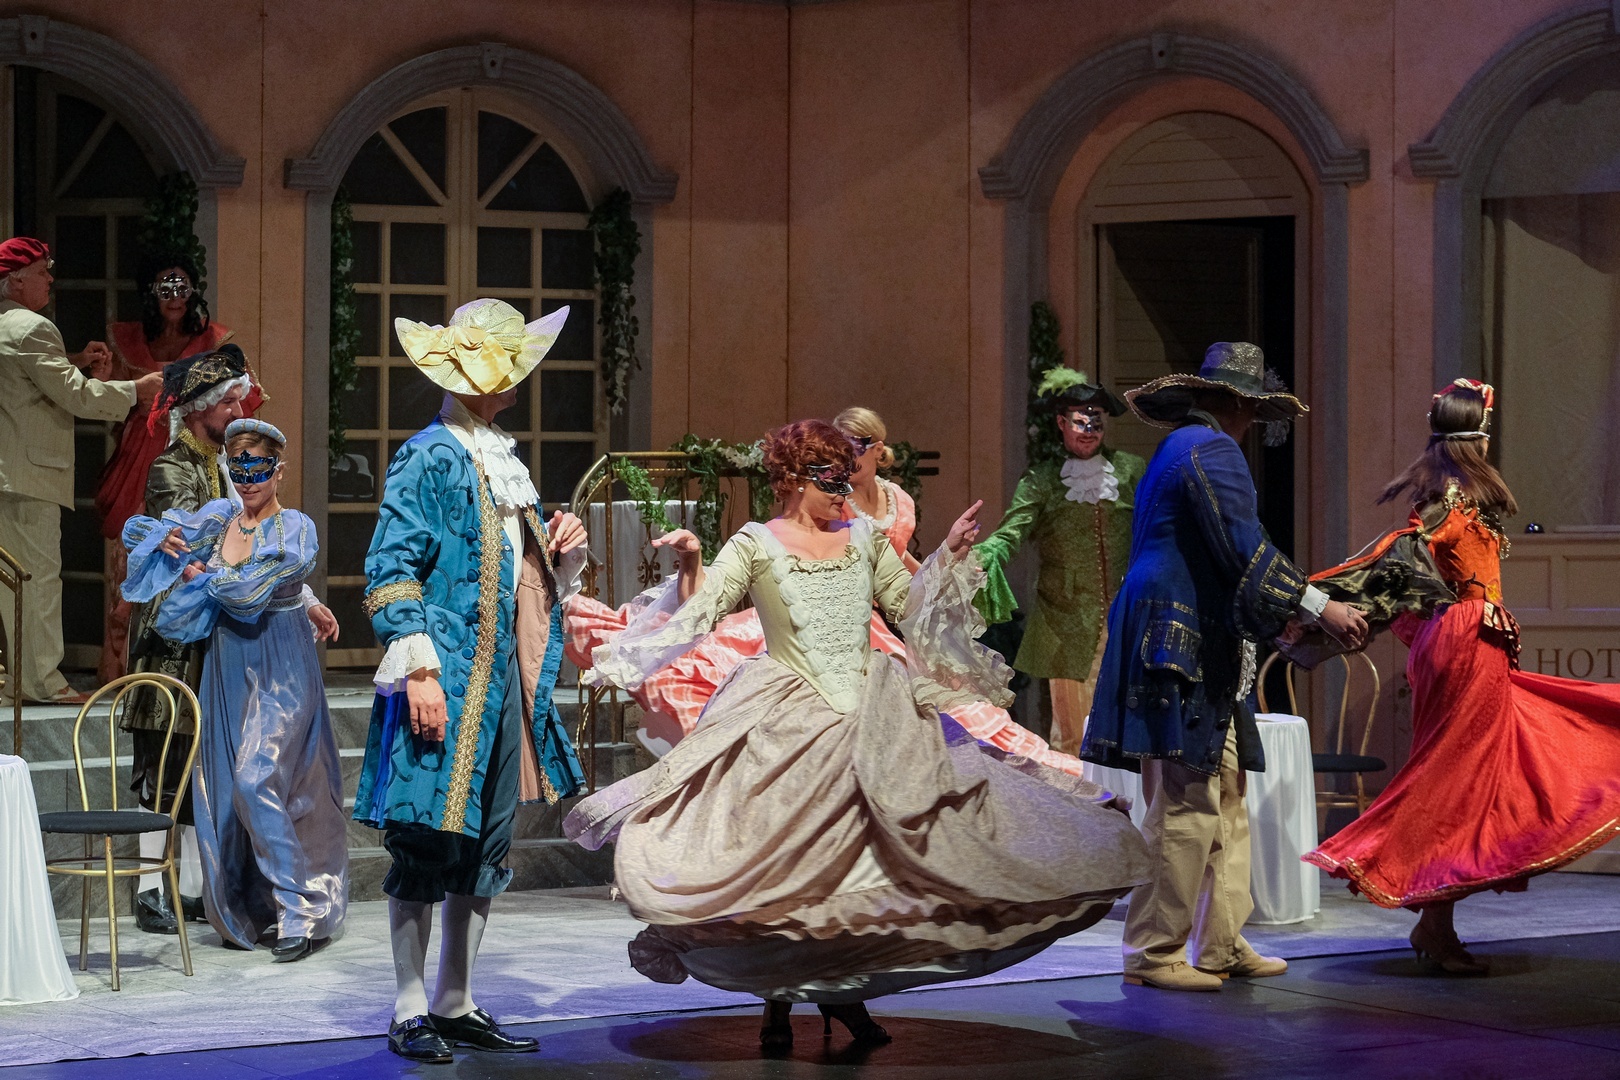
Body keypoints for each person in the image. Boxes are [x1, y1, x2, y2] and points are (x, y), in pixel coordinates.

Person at [565, 419, 1150, 1054]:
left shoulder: (864, 538)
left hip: (874, 715)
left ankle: (838, 995)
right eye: (830, 482)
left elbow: (910, 608)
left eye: (847, 480)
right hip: (786, 720)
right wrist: (690, 563)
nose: (843, 493)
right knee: (786, 869)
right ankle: (781, 1004)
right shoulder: (756, 542)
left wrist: (947, 555)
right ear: (793, 479)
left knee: (861, 869)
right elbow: (701, 614)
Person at [1303, 380, 1620, 974]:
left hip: (1468, 638)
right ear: (1480, 435)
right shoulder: (1450, 499)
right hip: (1467, 640)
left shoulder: (1455, 494)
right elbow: (1401, 553)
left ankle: (1436, 923)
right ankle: (1423, 909)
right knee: (1455, 779)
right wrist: (1338, 598)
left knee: (1470, 774)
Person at [1083, 342, 1368, 993]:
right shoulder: (1209, 449)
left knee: (1229, 794)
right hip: (1179, 642)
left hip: (1206, 643)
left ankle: (1218, 941)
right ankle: (1154, 950)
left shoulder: (1184, 446)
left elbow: (1228, 557)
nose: (1255, 423)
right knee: (1184, 804)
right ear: (1239, 404)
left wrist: (1284, 617)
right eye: (1255, 410)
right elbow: (1246, 547)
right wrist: (1320, 607)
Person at [353, 299, 589, 1064]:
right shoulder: (430, 455)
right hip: (445, 675)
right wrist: (420, 670)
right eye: (509, 368)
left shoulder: (500, 458)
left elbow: (516, 577)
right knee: (426, 836)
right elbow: (390, 571)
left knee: (485, 842)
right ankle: (408, 1007)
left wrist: (562, 556)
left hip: (499, 683)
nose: (519, 380)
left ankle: (454, 999)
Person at [122, 418, 346, 961]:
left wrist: (203, 577)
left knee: (256, 778)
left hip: (281, 663)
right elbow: (137, 533)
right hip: (227, 664)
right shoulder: (220, 517)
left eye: (258, 469)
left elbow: (250, 591)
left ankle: (300, 910)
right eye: (238, 469)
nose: (248, 480)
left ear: (278, 470)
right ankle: (252, 904)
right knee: (225, 788)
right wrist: (163, 538)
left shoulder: (294, 526)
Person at [119, 345, 251, 935]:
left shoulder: (222, 464)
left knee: (198, 761)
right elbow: (189, 549)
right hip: (172, 634)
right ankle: (151, 888)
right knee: (165, 757)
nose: (238, 412)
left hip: (211, 629)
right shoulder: (172, 467)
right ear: (199, 409)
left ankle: (194, 887)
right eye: (228, 403)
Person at [0, 236, 161, 704]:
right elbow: (76, 395)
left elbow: (29, 375)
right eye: (42, 271)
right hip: (28, 475)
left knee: (11, 583)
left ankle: (19, 677)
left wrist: (75, 361)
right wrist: (136, 390)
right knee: (37, 578)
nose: (50, 279)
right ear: (15, 281)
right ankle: (43, 683)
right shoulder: (33, 327)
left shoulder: (7, 326)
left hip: (10, 472)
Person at [95, 251, 247, 683]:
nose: (176, 296)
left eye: (183, 287)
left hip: (199, 445)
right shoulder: (132, 341)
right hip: (146, 450)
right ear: (151, 292)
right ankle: (118, 671)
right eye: (166, 287)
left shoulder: (212, 342)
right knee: (129, 566)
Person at [975, 369, 1145, 753]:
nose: (1088, 430)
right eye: (1080, 421)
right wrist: (986, 554)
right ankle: (1075, 792)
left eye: (1096, 421)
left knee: (1127, 724)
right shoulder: (1042, 479)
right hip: (1065, 619)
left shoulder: (1130, 470)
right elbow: (1012, 531)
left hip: (1125, 615)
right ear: (1061, 423)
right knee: (1073, 731)